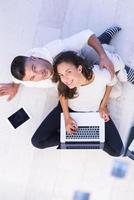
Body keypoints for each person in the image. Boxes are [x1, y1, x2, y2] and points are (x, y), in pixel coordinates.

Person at [31, 51, 124, 157]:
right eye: (61, 74)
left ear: (79, 69)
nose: (65, 79)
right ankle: (80, 137)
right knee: (37, 141)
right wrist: (67, 118)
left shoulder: (101, 75)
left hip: (94, 112)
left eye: (68, 72)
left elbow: (111, 83)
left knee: (117, 151)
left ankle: (84, 138)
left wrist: (103, 106)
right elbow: (63, 95)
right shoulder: (65, 81)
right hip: (68, 110)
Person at [1, 26, 131, 101]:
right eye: (33, 77)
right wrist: (14, 86)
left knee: (109, 63)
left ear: (34, 57)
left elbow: (86, 34)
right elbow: (17, 79)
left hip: (81, 58)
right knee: (114, 93)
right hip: (74, 77)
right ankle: (102, 42)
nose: (39, 74)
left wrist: (102, 56)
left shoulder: (57, 48)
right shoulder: (27, 79)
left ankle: (104, 46)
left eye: (34, 68)